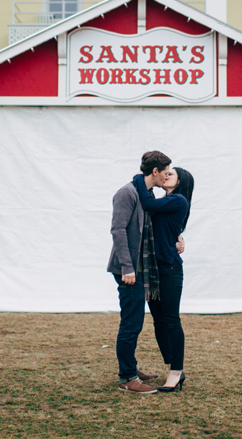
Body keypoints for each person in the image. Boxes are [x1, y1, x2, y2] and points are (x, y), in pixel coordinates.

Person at [107, 150, 170, 394]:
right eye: (165, 172)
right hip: (129, 270)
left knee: (136, 322)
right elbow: (118, 230)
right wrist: (127, 267)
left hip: (139, 268)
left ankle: (130, 367)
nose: (167, 176)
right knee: (131, 323)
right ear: (155, 171)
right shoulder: (127, 193)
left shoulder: (146, 194)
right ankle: (127, 377)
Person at [132, 165, 194, 393]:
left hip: (169, 269)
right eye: (165, 173)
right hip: (154, 268)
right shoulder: (165, 200)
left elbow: (147, 204)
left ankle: (176, 372)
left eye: (171, 174)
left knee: (170, 320)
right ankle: (171, 365)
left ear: (181, 181)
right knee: (158, 320)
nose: (166, 175)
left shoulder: (178, 200)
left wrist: (139, 178)